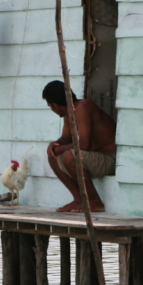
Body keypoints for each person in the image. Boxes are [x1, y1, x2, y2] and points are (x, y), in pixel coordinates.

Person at [43, 80, 116, 213]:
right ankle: (79, 199)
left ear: (55, 105)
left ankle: (95, 202)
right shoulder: (68, 113)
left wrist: (59, 148)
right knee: (53, 156)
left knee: (69, 155)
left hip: (110, 159)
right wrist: (54, 146)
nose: (52, 109)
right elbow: (65, 139)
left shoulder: (83, 106)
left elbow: (84, 145)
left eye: (50, 107)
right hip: (94, 159)